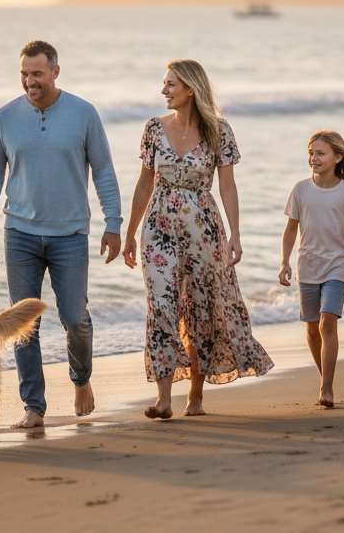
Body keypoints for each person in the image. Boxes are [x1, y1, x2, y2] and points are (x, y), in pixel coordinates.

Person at [0, 39, 122, 428]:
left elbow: (103, 170)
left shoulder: (84, 113)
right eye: (24, 73)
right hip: (19, 232)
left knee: (75, 317)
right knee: (23, 325)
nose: (29, 81)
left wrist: (113, 223)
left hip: (69, 234)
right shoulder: (4, 117)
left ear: (55, 71)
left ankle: (81, 379)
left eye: (37, 73)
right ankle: (33, 407)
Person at [122, 59, 272, 418]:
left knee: (200, 308)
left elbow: (228, 186)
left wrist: (236, 233)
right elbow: (144, 184)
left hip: (203, 227)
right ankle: (163, 398)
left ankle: (196, 395)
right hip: (158, 228)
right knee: (161, 305)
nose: (164, 91)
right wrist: (129, 233)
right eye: (164, 83)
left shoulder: (219, 131)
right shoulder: (154, 129)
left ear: (190, 88)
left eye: (171, 84)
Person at [278, 130, 344, 408]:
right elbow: (290, 230)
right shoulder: (301, 189)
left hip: (338, 265)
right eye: (311, 153)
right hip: (308, 266)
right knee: (312, 329)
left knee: (327, 321)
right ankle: (323, 377)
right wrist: (284, 262)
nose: (313, 158)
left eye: (320, 153)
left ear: (337, 157)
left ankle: (326, 388)